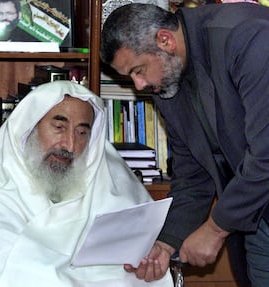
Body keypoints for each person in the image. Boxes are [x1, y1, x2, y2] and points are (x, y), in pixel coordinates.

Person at [100, 2, 269, 287]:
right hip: (255, 216)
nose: (138, 85)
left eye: (138, 70)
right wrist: (166, 243)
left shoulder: (247, 37)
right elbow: (192, 171)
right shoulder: (167, 79)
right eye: (129, 77)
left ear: (165, 40)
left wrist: (215, 229)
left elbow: (266, 153)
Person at [0, 81, 174, 287]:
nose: (70, 145)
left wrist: (149, 263)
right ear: (30, 127)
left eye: (82, 133)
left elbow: (140, 261)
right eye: (59, 127)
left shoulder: (114, 186)